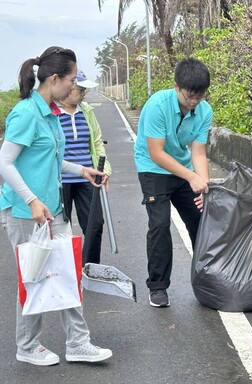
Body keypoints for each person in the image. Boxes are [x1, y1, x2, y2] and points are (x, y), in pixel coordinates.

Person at [0, 46, 112, 366]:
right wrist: (32, 200)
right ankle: (26, 345)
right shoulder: (26, 113)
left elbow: (51, 158)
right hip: (25, 212)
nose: (73, 86)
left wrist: (82, 170)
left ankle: (78, 342)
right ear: (54, 79)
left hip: (51, 210)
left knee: (67, 273)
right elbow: (5, 162)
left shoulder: (51, 112)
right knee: (33, 277)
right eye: (72, 79)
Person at [134, 58, 212, 308]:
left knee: (201, 220)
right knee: (159, 224)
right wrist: (191, 177)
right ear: (176, 86)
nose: (194, 102)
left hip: (182, 166)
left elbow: (198, 152)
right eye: (189, 96)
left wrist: (203, 182)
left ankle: (207, 278)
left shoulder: (204, 110)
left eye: (199, 97)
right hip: (152, 167)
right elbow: (156, 152)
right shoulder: (157, 105)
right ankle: (157, 286)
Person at [56, 68, 112, 265]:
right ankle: (65, 270)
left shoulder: (86, 111)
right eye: (81, 90)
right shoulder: (51, 113)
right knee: (62, 228)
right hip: (60, 179)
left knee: (95, 224)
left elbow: (96, 142)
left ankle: (90, 267)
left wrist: (104, 170)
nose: (83, 94)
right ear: (69, 88)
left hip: (88, 176)